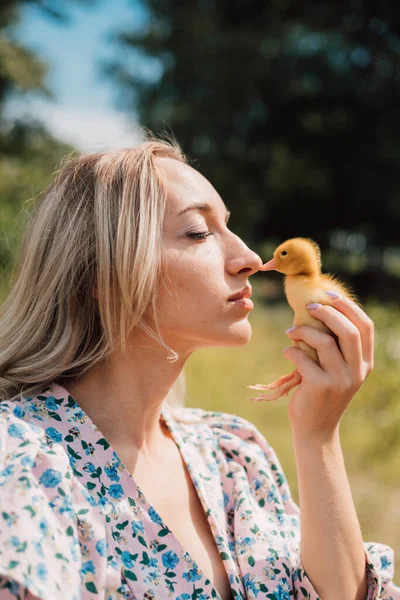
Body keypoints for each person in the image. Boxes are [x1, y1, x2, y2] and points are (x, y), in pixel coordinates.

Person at [0, 132, 398, 600]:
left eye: (228, 226)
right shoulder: (21, 458)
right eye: (198, 232)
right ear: (102, 276)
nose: (249, 258)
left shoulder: (233, 453)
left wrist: (318, 435)